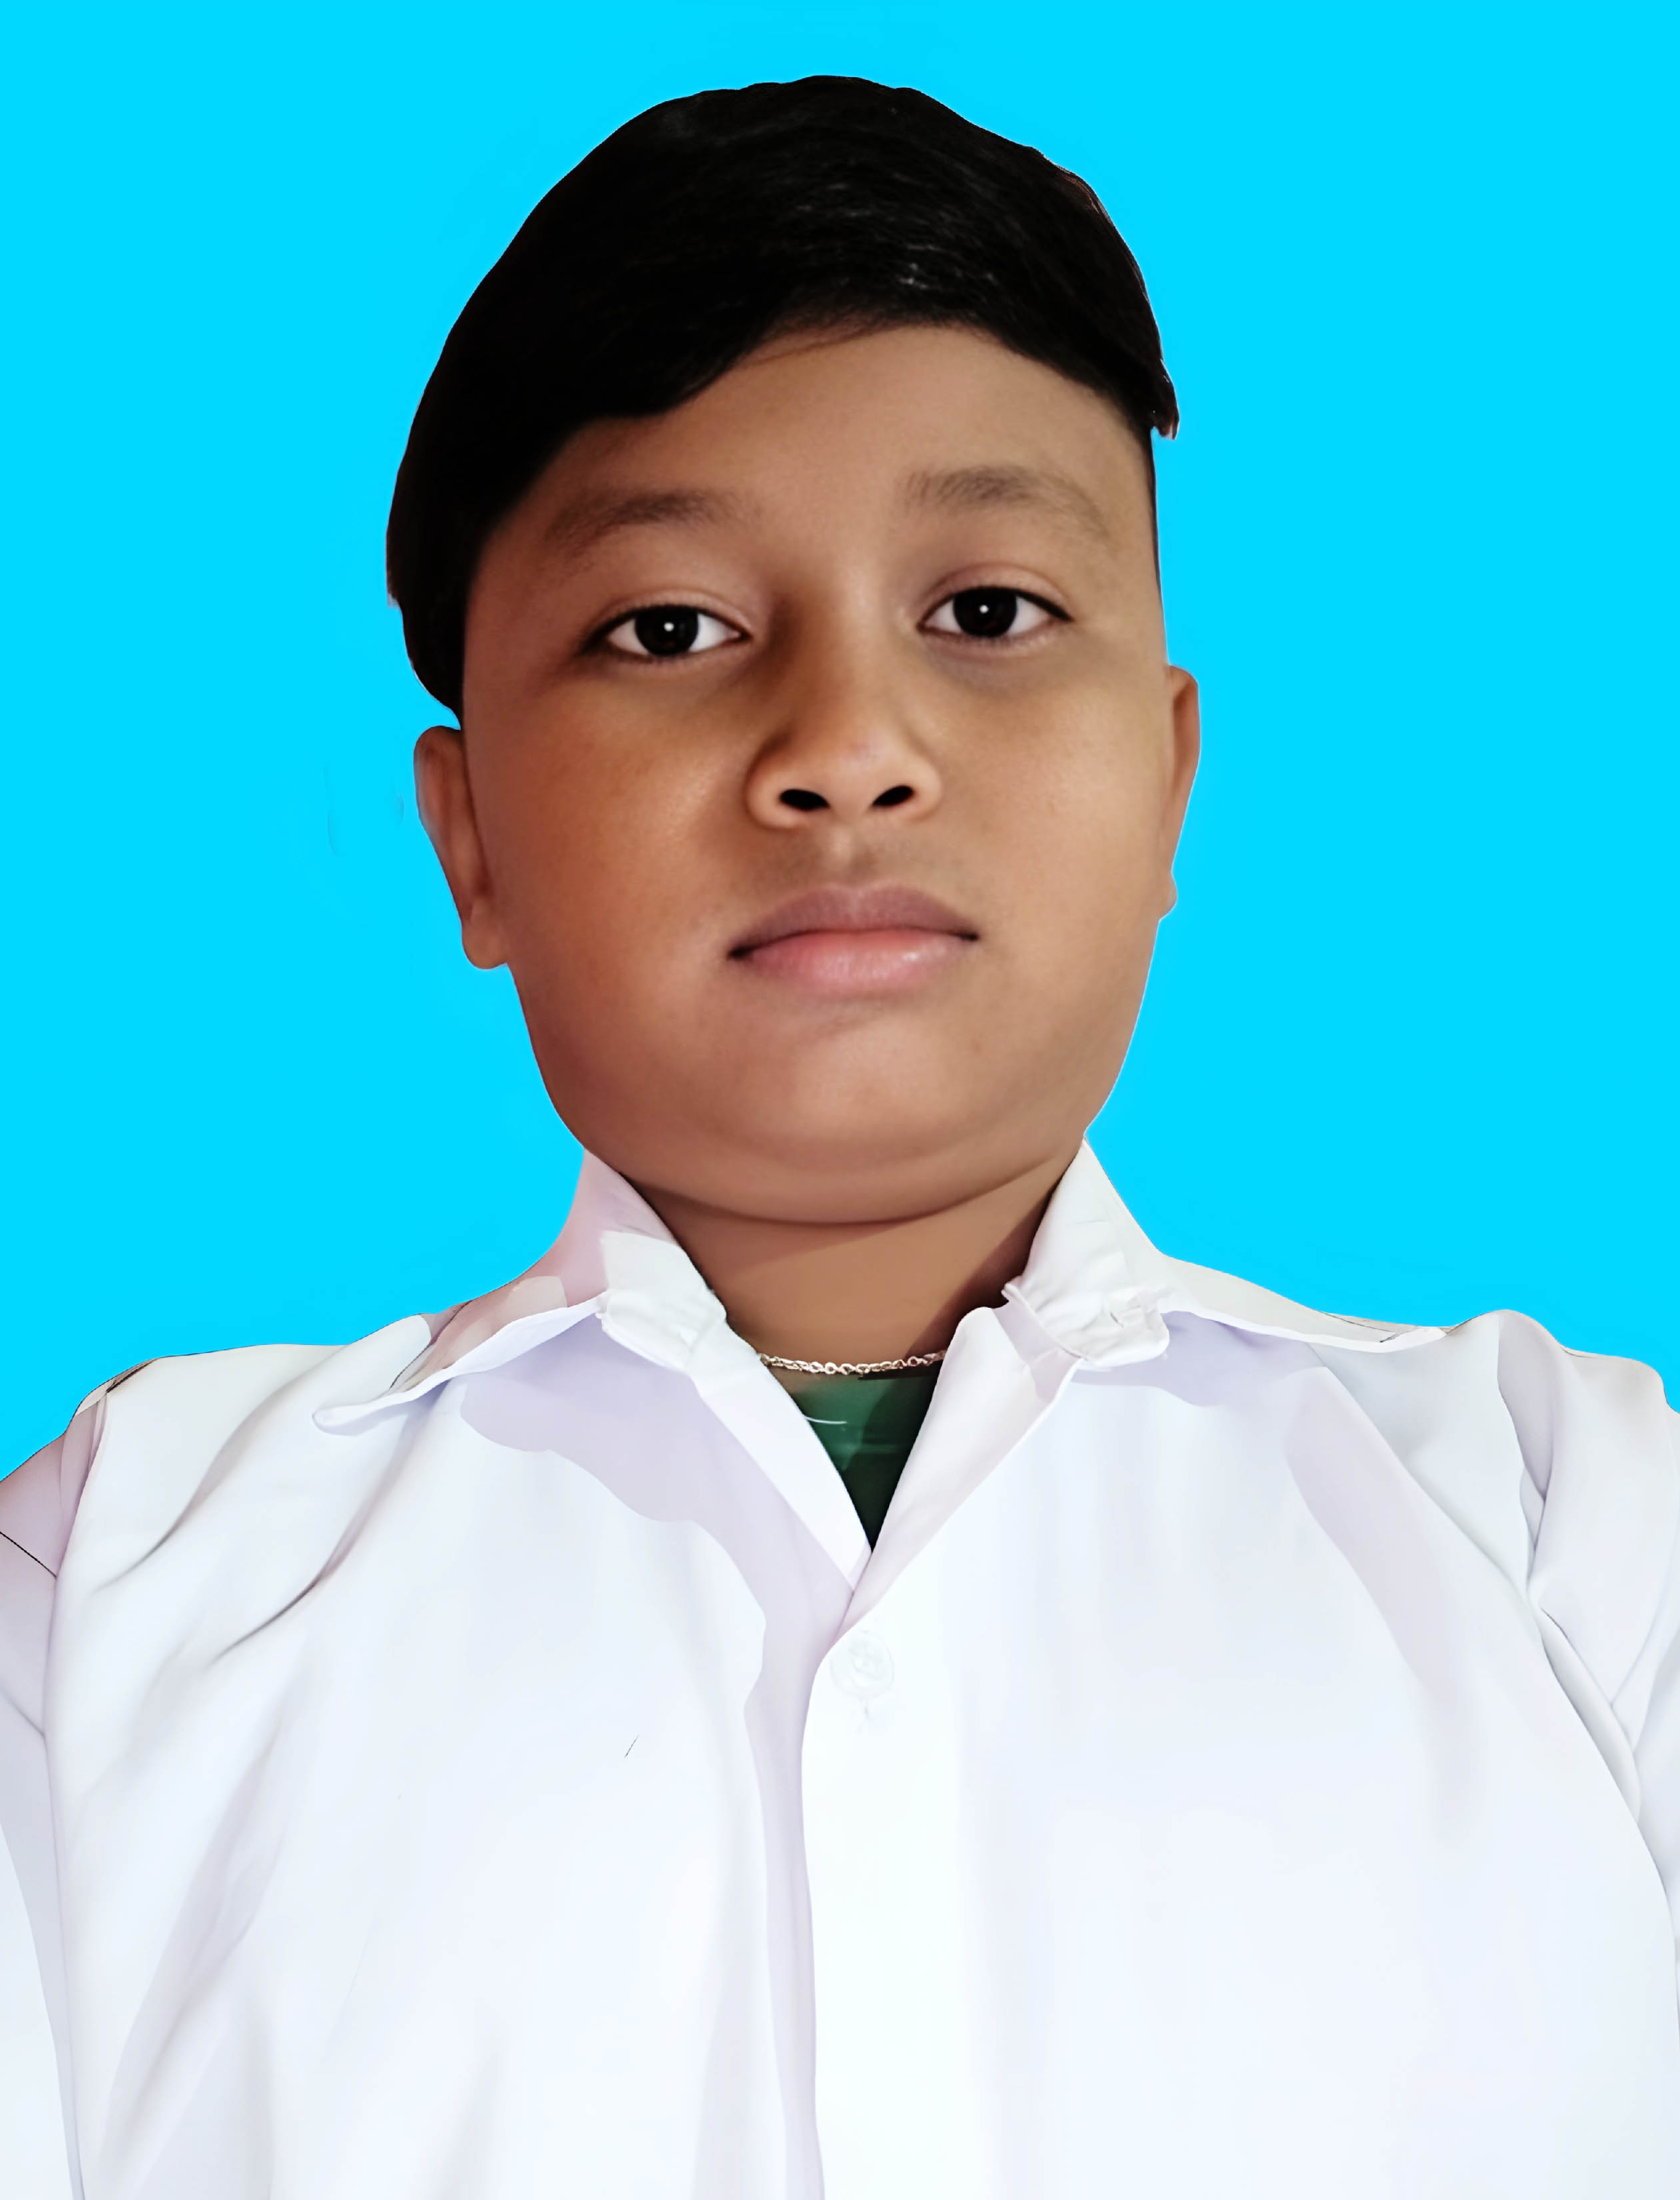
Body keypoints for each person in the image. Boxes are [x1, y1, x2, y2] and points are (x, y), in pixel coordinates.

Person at [2, 75, 1676, 2200]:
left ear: (1167, 781)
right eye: (669, 629)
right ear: (469, 834)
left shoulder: (1577, 1533)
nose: (847, 751)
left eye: (985, 612)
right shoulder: (122, 1579)